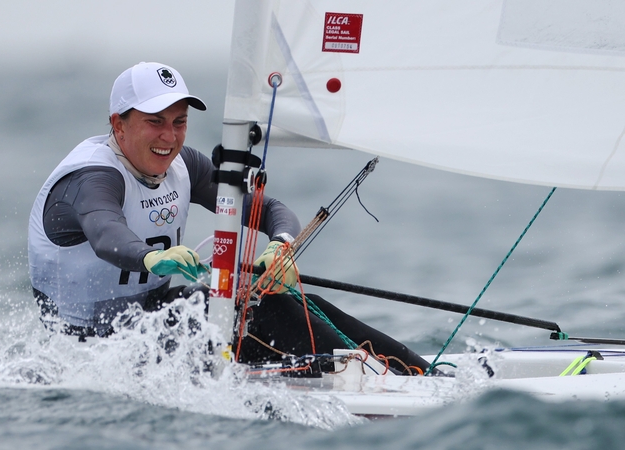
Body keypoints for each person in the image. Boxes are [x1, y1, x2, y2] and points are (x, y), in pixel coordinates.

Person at [28, 62, 431, 374]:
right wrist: (149, 258)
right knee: (261, 317)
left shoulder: (183, 164)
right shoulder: (92, 176)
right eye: (155, 122)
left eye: (179, 122)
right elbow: (105, 232)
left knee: (273, 301)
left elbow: (269, 209)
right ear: (119, 123)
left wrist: (282, 245)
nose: (169, 137)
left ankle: (413, 373)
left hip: (156, 317)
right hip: (90, 344)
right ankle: (383, 375)